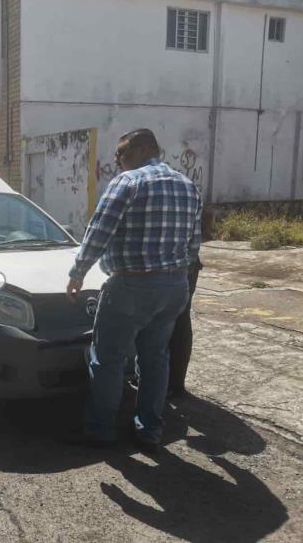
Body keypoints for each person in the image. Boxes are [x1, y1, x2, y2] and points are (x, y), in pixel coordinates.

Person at [66, 129, 202, 453]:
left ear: (142, 149)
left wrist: (77, 272)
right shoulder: (187, 185)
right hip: (175, 284)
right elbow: (194, 242)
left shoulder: (128, 182)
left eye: (121, 153)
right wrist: (182, 277)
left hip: (132, 285)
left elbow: (98, 232)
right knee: (155, 357)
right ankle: (150, 430)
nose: (118, 161)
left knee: (108, 358)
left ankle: (101, 431)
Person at [167, 258, 203, 396]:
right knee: (180, 321)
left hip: (174, 267)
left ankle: (172, 383)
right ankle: (173, 383)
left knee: (177, 323)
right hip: (184, 266)